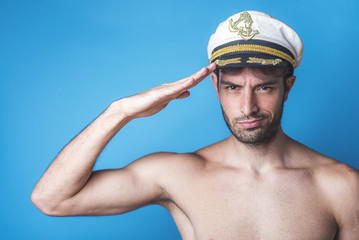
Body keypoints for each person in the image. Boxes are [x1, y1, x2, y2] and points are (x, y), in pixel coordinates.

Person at [31, 11, 359, 239]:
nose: (248, 107)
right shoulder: (180, 174)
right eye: (233, 87)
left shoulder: (342, 186)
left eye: (264, 87)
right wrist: (120, 112)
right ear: (215, 86)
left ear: (287, 88)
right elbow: (52, 200)